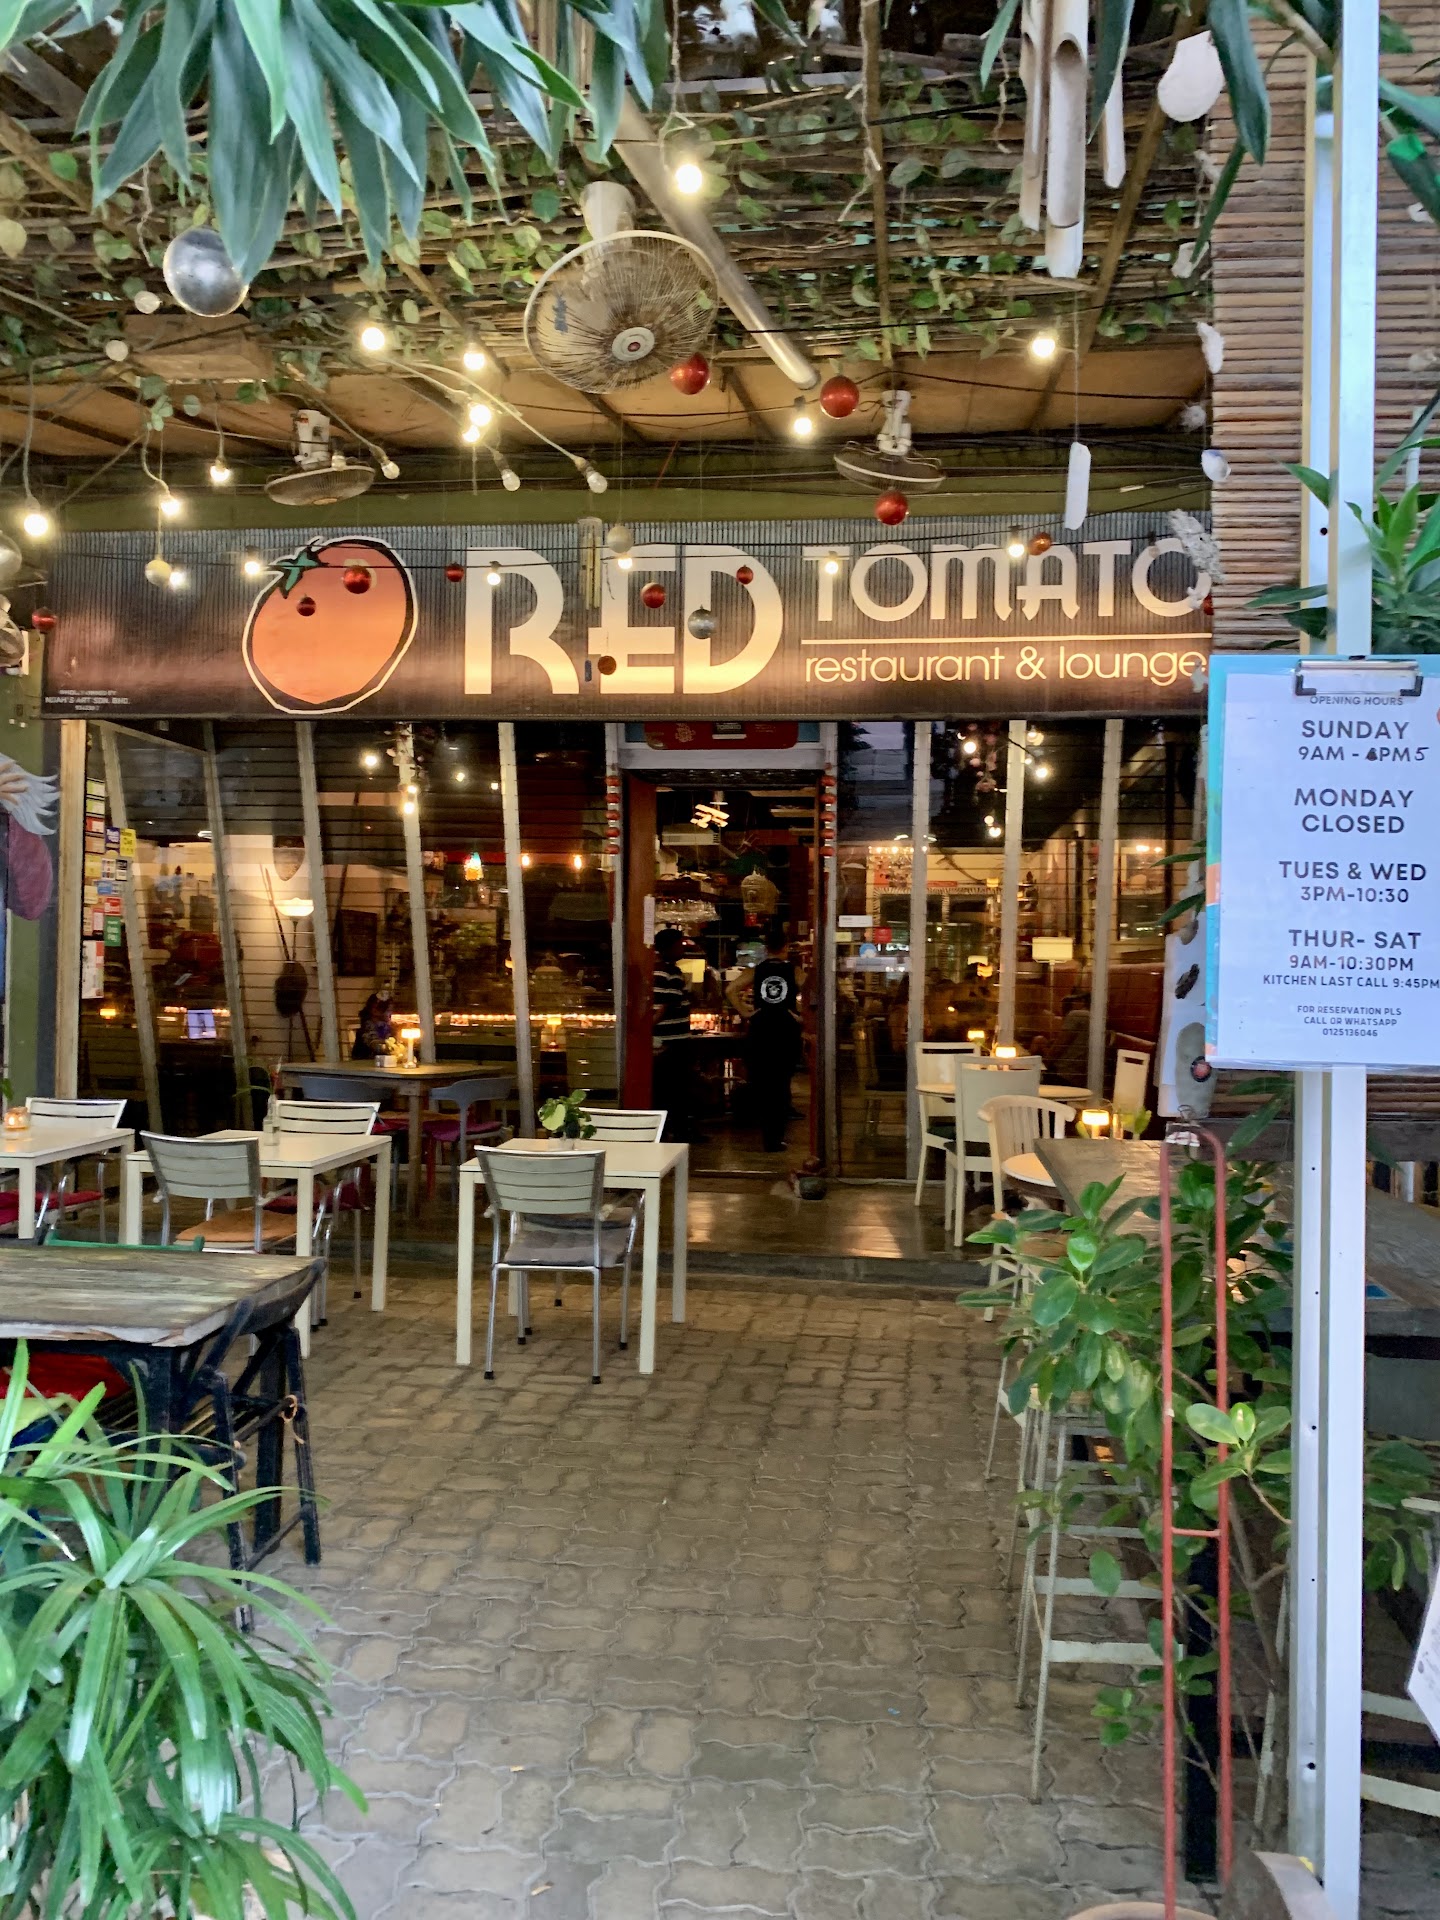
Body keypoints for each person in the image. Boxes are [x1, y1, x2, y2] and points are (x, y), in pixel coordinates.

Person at [745, 923, 803, 1153]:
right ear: (785, 946)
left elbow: (730, 990)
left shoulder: (757, 970)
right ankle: (775, 1137)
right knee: (781, 1085)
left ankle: (767, 1136)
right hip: (785, 1031)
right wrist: (799, 1015)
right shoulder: (793, 971)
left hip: (760, 1030)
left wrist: (746, 1012)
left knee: (764, 1085)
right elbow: (814, 991)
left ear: (766, 947)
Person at [651, 927, 697, 1141]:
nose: (682, 949)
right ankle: (677, 1131)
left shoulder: (662, 970)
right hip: (672, 1041)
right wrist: (646, 1031)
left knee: (670, 1088)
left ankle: (673, 1130)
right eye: (679, 945)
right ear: (668, 948)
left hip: (669, 1040)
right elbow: (664, 1007)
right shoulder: (667, 972)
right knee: (676, 1088)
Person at [352, 991, 393, 1060]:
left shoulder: (387, 1026)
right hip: (366, 1061)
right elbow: (373, 1044)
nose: (375, 1008)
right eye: (374, 1005)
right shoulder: (367, 1026)